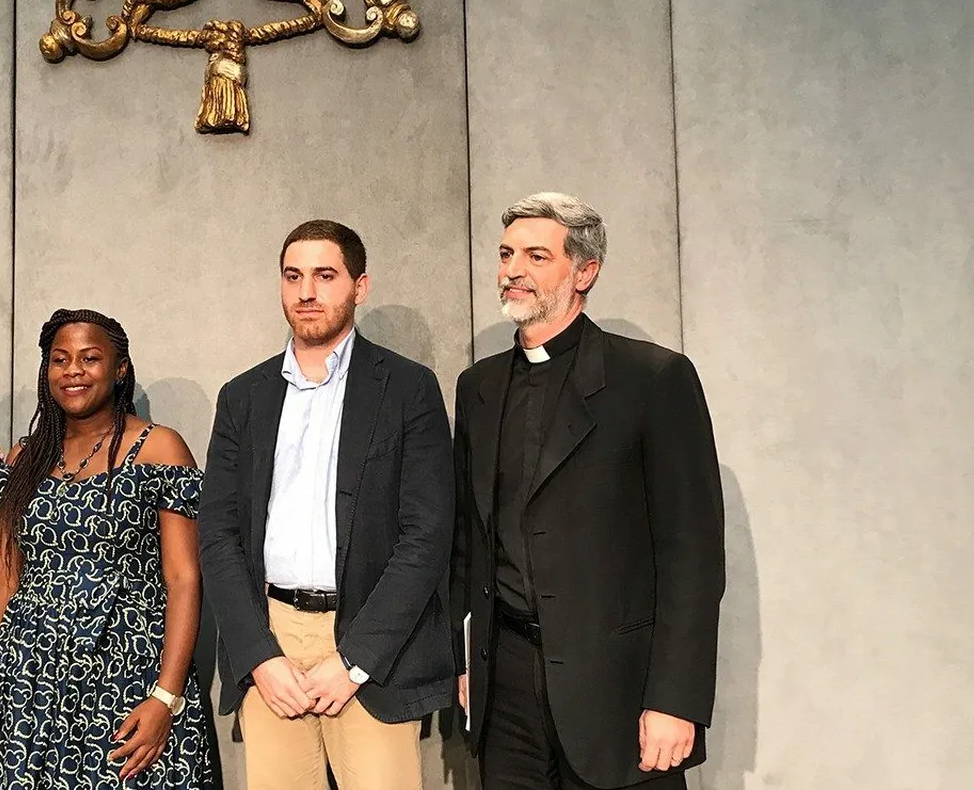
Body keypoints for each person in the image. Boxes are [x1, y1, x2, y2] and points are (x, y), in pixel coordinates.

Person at [451, 193, 725, 789]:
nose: (513, 269)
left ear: (584, 272)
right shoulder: (478, 387)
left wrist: (675, 699)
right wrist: (466, 661)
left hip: (618, 692)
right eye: (506, 254)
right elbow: (469, 542)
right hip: (507, 692)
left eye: (536, 256)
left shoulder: (653, 378)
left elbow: (693, 557)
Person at [198, 219, 457, 790]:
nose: (306, 292)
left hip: (370, 644)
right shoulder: (243, 396)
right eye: (293, 276)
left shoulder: (408, 388)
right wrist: (258, 655)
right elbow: (217, 535)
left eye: (324, 275)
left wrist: (355, 659)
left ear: (359, 287)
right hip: (271, 640)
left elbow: (427, 535)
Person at [0, 309, 215, 789]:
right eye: (60, 359)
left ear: (120, 369)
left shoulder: (159, 447)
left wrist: (166, 698)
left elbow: (184, 578)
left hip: (131, 676)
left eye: (90, 358)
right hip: (29, 683)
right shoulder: (25, 457)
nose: (73, 370)